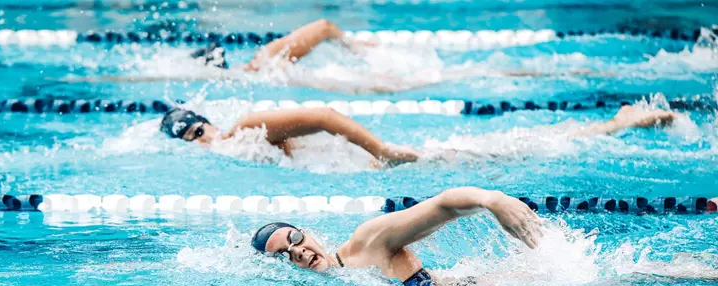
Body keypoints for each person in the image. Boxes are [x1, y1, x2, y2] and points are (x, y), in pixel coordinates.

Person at [69, 19, 601, 94]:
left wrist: (357, 47)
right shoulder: (261, 73)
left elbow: (322, 25)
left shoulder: (265, 60)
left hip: (389, 74)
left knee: (477, 71)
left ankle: (569, 67)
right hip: (379, 82)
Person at [159, 104, 679, 168]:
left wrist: (384, 151)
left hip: (397, 161)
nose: (203, 141)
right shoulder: (232, 151)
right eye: (192, 141)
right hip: (373, 170)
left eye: (200, 131)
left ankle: (620, 123)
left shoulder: (246, 128)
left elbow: (324, 114)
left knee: (527, 148)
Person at [249, 186, 542, 286]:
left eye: (295, 238)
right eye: (284, 255)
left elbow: (441, 206)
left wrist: (493, 200)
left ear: (308, 232)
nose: (298, 252)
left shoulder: (365, 244)